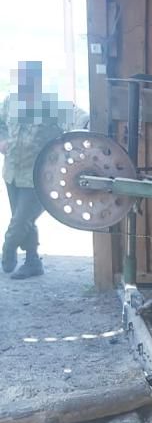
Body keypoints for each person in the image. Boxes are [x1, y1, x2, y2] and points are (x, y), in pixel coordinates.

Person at [0, 61, 68, 280]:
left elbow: (79, 118)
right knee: (23, 219)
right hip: (12, 172)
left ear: (38, 82)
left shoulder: (52, 105)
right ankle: (33, 262)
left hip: (38, 176)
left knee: (19, 222)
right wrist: (2, 141)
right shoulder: (10, 102)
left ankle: (8, 249)